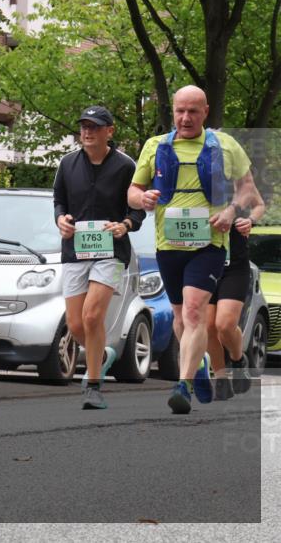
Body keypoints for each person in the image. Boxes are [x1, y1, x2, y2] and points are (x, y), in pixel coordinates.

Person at [128, 86, 257, 414]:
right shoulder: (155, 146)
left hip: (209, 245)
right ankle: (198, 369)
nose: (186, 118)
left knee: (195, 312)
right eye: (180, 111)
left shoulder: (225, 145)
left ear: (206, 112)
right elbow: (133, 189)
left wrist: (230, 212)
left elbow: (248, 191)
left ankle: (183, 386)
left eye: (193, 112)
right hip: (168, 246)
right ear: (172, 111)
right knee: (179, 319)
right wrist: (141, 199)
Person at [54, 106, 146, 410]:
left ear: (110, 130)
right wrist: (61, 220)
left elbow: (137, 208)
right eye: (83, 126)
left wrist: (125, 224)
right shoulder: (67, 164)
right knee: (76, 324)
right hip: (75, 251)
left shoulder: (125, 167)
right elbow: (59, 201)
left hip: (111, 251)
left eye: (94, 126)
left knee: (93, 316)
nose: (87, 132)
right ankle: (101, 354)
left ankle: (93, 386)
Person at [207, 178, 266, 400]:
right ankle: (221, 378)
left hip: (235, 265)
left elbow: (259, 204)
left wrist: (250, 220)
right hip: (204, 262)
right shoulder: (195, 177)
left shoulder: (241, 180)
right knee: (208, 327)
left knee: (224, 324)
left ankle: (238, 357)